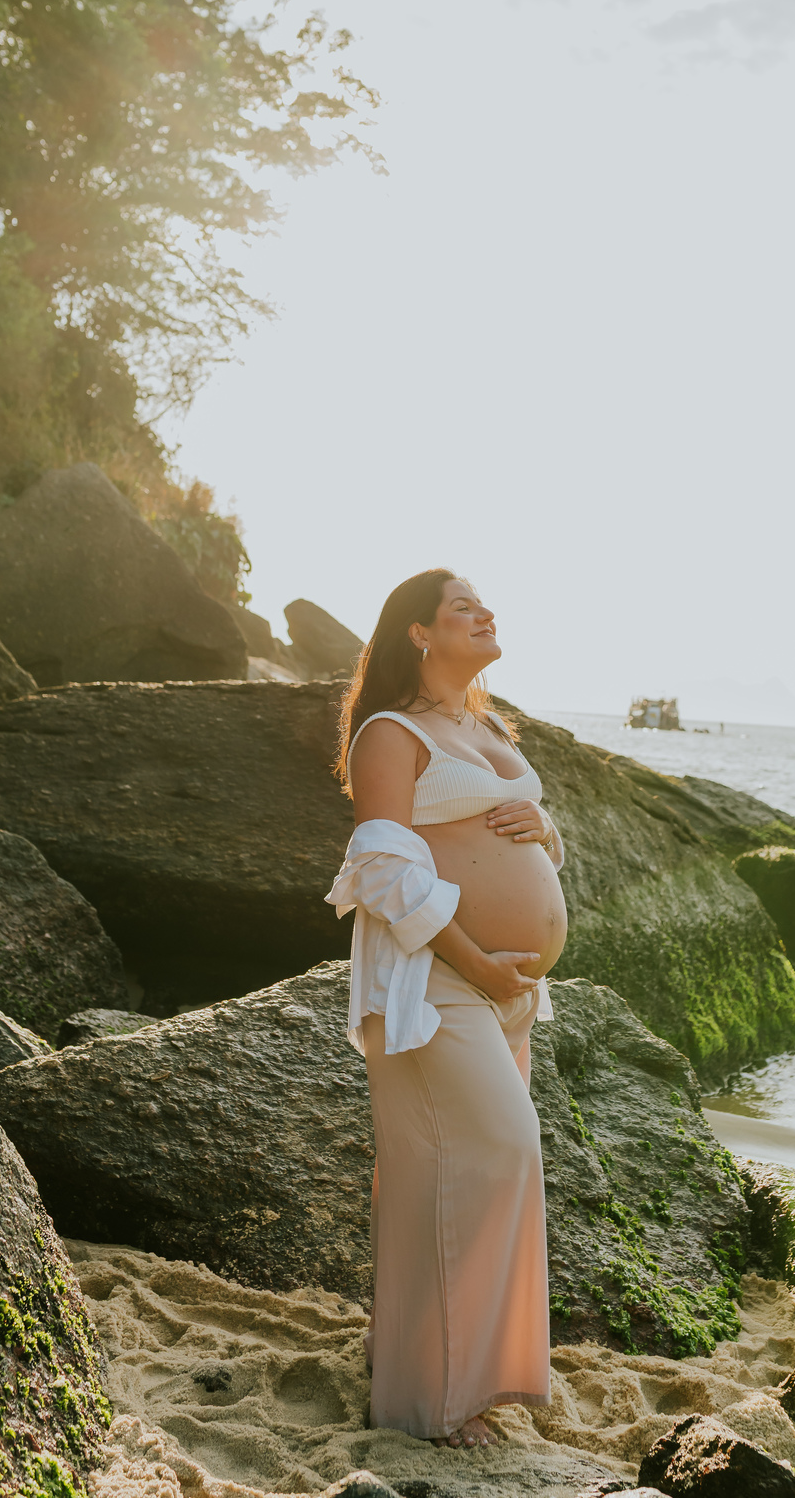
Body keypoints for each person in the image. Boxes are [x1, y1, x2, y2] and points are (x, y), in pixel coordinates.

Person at [329, 568, 568, 1450]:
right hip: (433, 983)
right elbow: (383, 874)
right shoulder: (389, 734)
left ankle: (447, 1372)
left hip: (509, 995)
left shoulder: (491, 727)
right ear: (419, 633)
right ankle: (433, 1403)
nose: (485, 612)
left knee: (445, 1178)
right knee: (502, 1149)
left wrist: (546, 834)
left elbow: (525, 843)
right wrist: (479, 961)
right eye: (463, 605)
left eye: (485, 602)